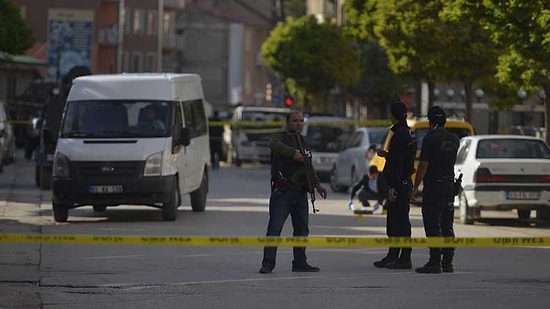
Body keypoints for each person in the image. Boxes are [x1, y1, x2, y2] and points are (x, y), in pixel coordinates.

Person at [259, 109, 328, 274]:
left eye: (301, 121)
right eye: (295, 121)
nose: (298, 124)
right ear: (287, 122)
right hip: (282, 192)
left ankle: (300, 262)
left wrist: (317, 185)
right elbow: (273, 145)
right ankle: (268, 263)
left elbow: (308, 166)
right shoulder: (279, 137)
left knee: (302, 229)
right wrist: (292, 154)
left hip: (300, 193)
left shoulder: (304, 141)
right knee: (274, 229)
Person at [411, 106, 460, 274]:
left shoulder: (430, 139)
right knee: (447, 225)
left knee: (432, 224)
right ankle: (448, 262)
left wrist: (415, 187)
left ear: (430, 122)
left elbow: (423, 166)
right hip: (449, 187)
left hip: (434, 187)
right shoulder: (454, 139)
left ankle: (434, 261)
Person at [373, 101, 416, 269]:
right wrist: (387, 155)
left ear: (393, 115)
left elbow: (398, 164)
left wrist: (392, 187)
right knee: (397, 221)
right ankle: (393, 255)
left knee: (399, 222)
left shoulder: (399, 135)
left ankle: (403, 258)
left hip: (399, 184)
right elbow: (402, 158)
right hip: (405, 182)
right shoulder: (409, 133)